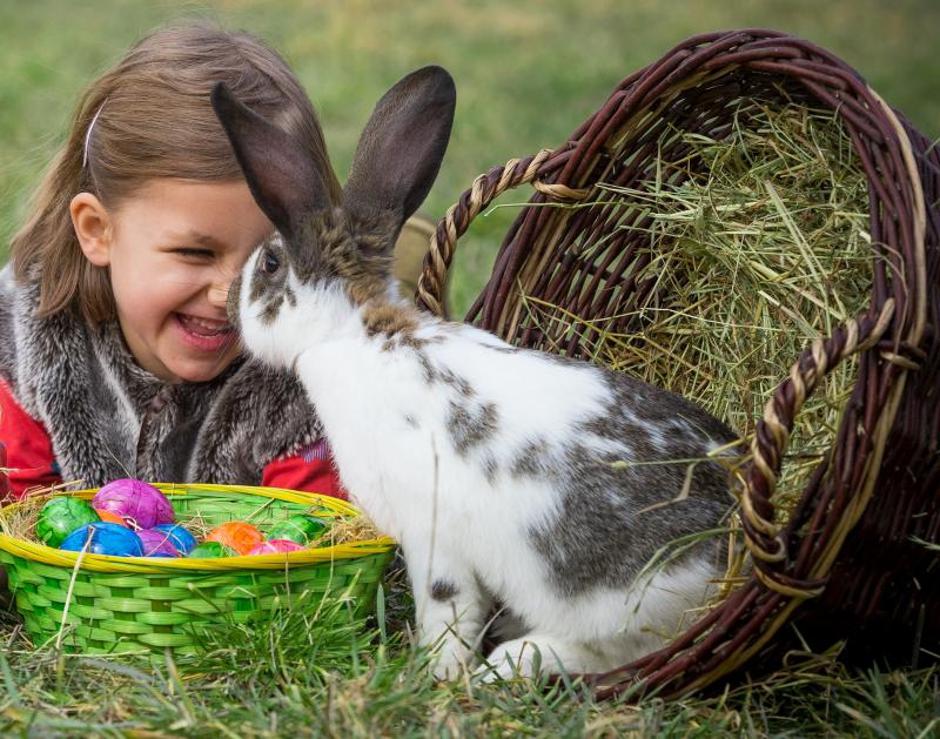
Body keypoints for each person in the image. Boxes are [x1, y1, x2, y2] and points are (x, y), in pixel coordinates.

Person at [0, 23, 438, 502]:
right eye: (195, 252)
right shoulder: (28, 341)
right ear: (96, 230)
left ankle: (395, 267)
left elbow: (310, 543)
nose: (228, 292)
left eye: (267, 260)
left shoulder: (312, 368)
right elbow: (24, 524)